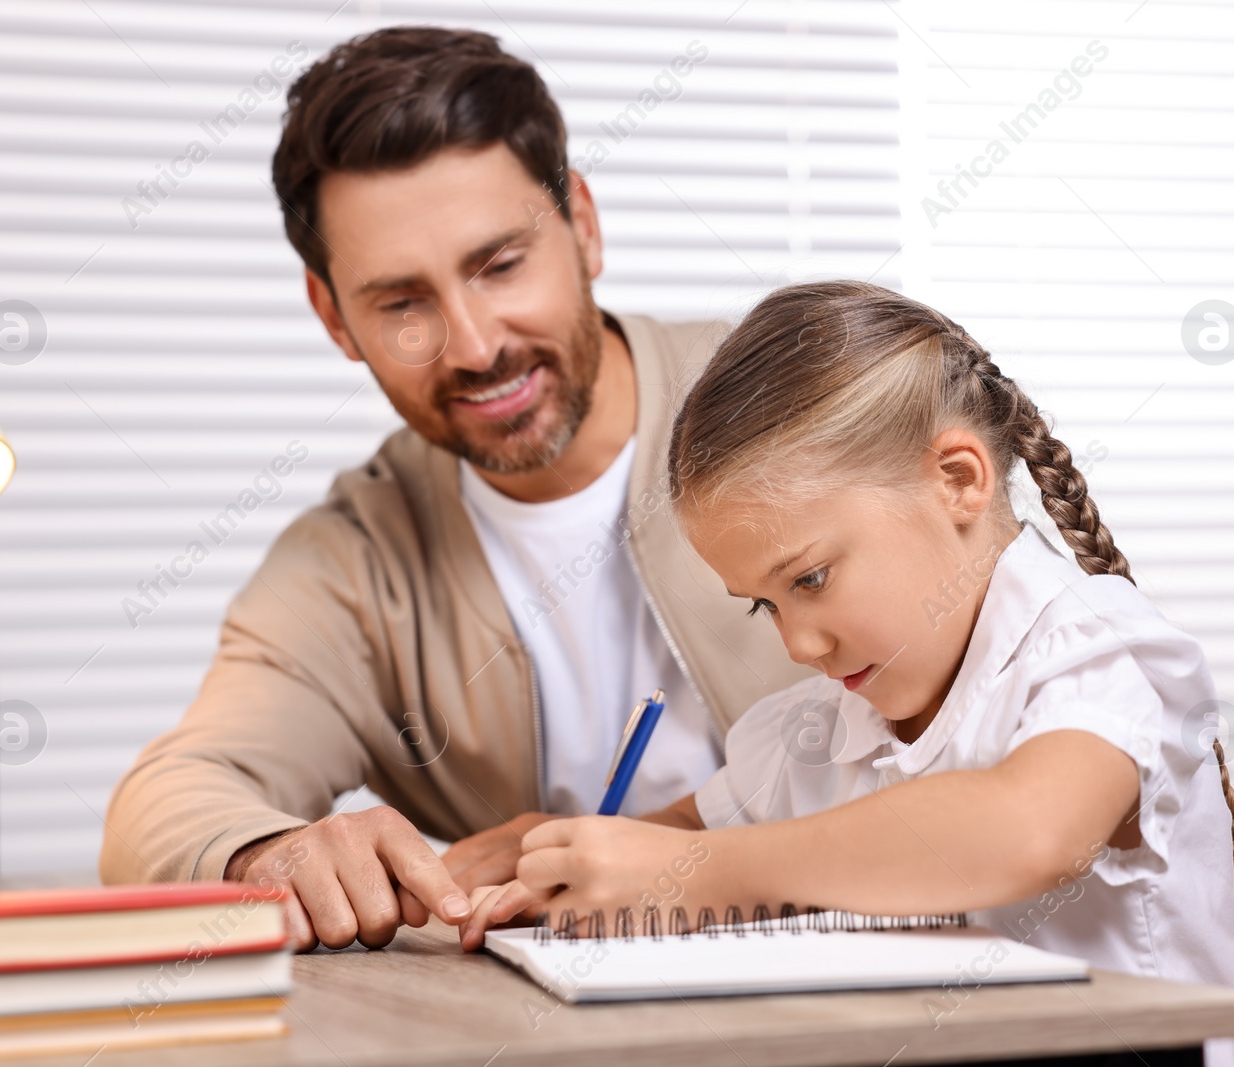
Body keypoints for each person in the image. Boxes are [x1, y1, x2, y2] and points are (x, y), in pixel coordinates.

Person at [459, 282, 1234, 1067]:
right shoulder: (820, 729)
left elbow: (1029, 829)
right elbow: (689, 829)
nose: (798, 642)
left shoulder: (1093, 651)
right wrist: (564, 855)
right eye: (765, 604)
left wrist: (697, 868)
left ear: (958, 480)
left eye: (809, 579)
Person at [97, 26, 811, 950]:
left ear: (583, 226)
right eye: (402, 303)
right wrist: (269, 851)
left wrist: (684, 852)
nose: (474, 347)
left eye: (501, 265)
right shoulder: (359, 555)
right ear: (335, 317)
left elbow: (1021, 735)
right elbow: (169, 795)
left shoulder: (799, 400)